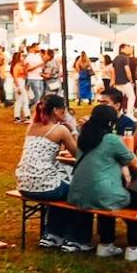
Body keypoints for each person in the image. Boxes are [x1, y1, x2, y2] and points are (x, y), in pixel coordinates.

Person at [68, 102, 137, 261]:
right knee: (134, 198)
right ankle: (134, 247)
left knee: (106, 195)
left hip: (77, 194)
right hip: (100, 195)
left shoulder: (83, 138)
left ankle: (105, 244)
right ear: (111, 123)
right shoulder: (111, 139)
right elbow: (132, 161)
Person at [16, 93, 86, 251]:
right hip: (45, 185)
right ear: (56, 110)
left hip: (24, 182)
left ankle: (53, 234)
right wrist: (74, 130)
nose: (65, 113)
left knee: (62, 184)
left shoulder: (32, 127)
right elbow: (78, 155)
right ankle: (73, 236)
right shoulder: (60, 130)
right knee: (77, 190)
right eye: (63, 110)